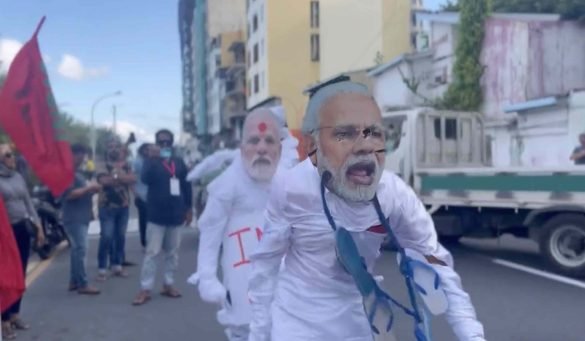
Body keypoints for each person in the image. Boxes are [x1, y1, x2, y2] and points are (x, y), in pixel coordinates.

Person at [247, 79, 486, 340]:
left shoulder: (394, 195)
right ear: (313, 147)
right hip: (297, 325)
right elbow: (265, 267)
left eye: (374, 132)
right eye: (345, 134)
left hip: (360, 325)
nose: (364, 147)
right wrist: (258, 334)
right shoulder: (291, 190)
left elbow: (436, 263)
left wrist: (472, 335)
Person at [188, 109, 285, 341]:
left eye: (269, 140)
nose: (261, 148)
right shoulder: (227, 186)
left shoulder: (288, 182)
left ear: (279, 150)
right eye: (254, 140)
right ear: (242, 150)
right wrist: (207, 277)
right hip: (243, 285)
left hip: (283, 285)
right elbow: (210, 235)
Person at [132, 129, 193, 305]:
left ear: (172, 144)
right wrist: (152, 158)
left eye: (167, 142)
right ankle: (145, 288)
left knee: (172, 253)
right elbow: (145, 179)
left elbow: (186, 185)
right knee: (152, 253)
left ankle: (168, 284)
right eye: (161, 142)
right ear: (156, 144)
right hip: (156, 215)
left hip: (176, 214)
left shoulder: (179, 162)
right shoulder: (150, 162)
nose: (164, 145)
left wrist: (188, 209)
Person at [0, 144, 44, 339]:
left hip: (22, 228)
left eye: (13, 154)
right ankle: (4, 320)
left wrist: (38, 226)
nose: (13, 158)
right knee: (5, 277)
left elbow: (27, 202)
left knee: (20, 274)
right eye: (8, 155)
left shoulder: (17, 177)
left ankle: (15, 314)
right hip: (4, 234)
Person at [61, 144, 101, 295]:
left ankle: (74, 280)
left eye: (83, 155)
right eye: (79, 155)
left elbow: (81, 193)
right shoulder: (67, 173)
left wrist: (91, 190)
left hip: (81, 216)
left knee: (76, 251)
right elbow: (69, 195)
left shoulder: (77, 173)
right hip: (74, 217)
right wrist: (88, 188)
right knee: (81, 250)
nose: (82, 158)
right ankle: (83, 284)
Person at [96, 138, 136, 281]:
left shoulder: (126, 164)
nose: (113, 149)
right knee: (107, 236)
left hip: (123, 206)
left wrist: (118, 177)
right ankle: (102, 267)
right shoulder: (101, 164)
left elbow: (132, 179)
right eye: (110, 146)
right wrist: (121, 178)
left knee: (120, 236)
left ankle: (117, 265)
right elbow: (103, 181)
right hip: (106, 206)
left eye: (116, 147)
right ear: (107, 149)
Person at [133, 143, 151, 249]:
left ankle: (152, 240)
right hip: (141, 194)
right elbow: (132, 177)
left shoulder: (152, 161)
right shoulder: (137, 162)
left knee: (153, 220)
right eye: (146, 150)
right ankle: (144, 241)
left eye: (149, 149)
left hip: (153, 195)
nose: (148, 152)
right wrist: (135, 193)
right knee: (144, 220)